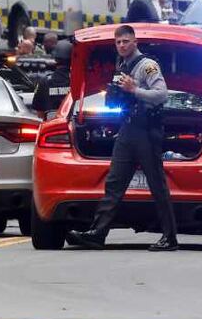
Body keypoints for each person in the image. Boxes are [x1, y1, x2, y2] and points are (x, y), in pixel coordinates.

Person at [67, 25, 178, 252]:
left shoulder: (147, 66)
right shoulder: (121, 65)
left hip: (147, 131)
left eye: (126, 41)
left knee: (157, 185)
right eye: (118, 42)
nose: (121, 46)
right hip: (127, 129)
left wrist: (134, 89)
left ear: (135, 42)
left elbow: (161, 95)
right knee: (114, 183)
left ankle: (170, 237)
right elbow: (122, 96)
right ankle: (97, 233)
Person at [31, 39, 72, 119]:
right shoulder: (77, 81)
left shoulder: (44, 81)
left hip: (50, 127)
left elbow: (39, 112)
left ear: (55, 59)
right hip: (71, 126)